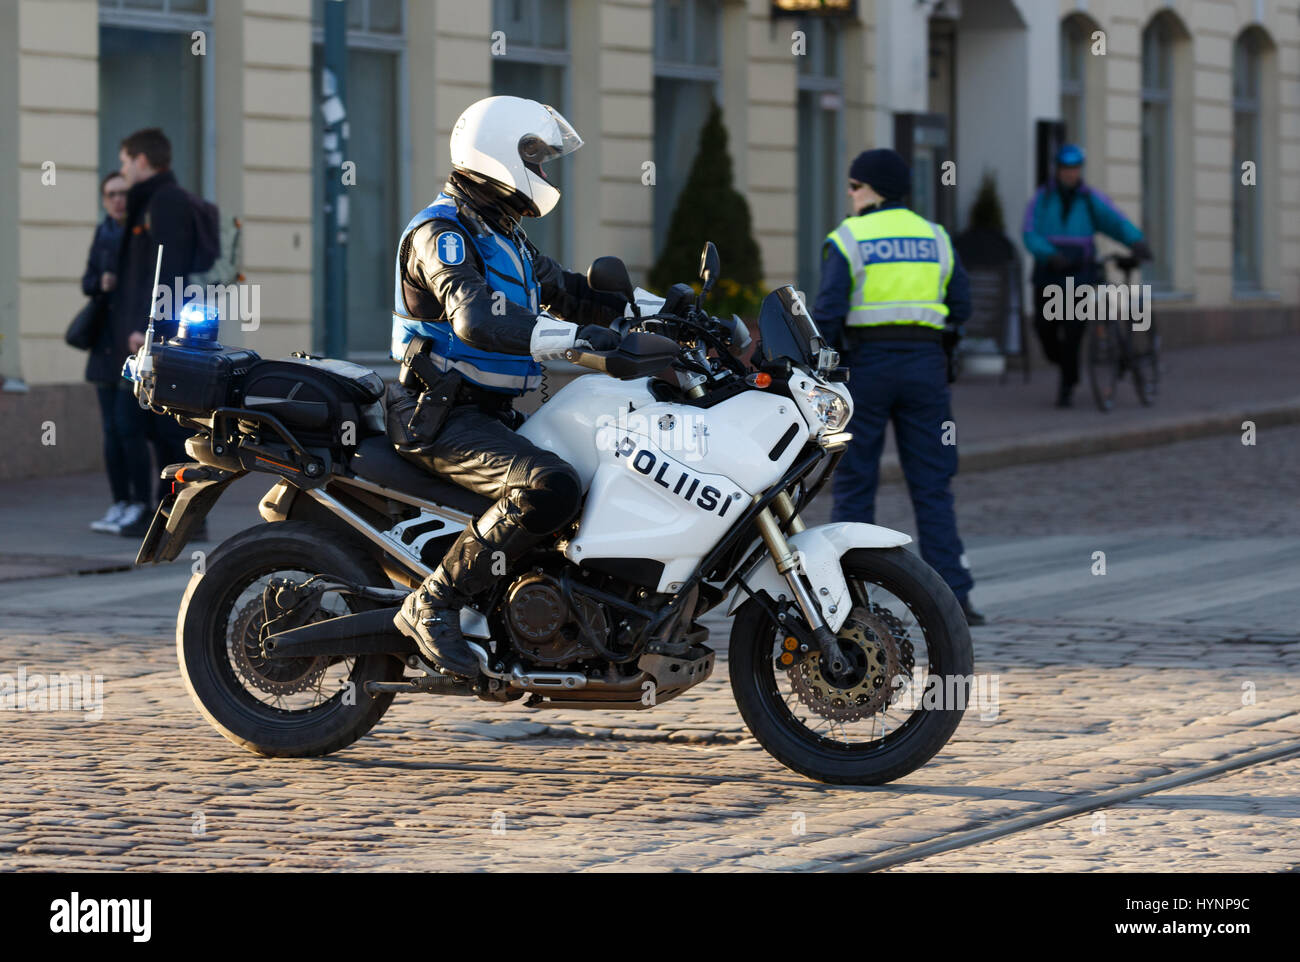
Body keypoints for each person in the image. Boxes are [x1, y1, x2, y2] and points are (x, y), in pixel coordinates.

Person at [389, 96, 628, 678]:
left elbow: (574, 291)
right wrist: (577, 341)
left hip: (489, 413)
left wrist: (664, 310)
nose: (542, 171)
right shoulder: (442, 232)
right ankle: (434, 602)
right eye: (534, 156)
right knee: (550, 486)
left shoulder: (507, 238)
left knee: (596, 476)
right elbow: (476, 319)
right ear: (496, 153)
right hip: (439, 414)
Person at [813, 148, 983, 626]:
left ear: (872, 190)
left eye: (853, 185)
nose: (848, 194)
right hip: (927, 368)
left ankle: (844, 600)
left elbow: (827, 311)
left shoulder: (850, 237)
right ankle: (956, 599)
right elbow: (962, 304)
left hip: (866, 369)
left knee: (854, 482)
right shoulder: (936, 237)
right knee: (932, 485)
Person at [112, 127, 202, 538]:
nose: (123, 170)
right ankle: (168, 513)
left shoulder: (163, 201)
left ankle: (175, 514)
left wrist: (145, 328)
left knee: (158, 428)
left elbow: (166, 269)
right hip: (149, 335)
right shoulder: (153, 200)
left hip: (154, 337)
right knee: (150, 427)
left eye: (125, 161)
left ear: (142, 161)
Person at [1022, 144, 1151, 407]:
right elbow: (1029, 231)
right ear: (1057, 170)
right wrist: (1048, 253)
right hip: (1049, 271)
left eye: (1075, 169)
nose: (1070, 174)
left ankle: (1067, 385)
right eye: (1066, 169)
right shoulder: (1042, 199)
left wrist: (1136, 241)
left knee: (1072, 331)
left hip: (1080, 274)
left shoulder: (1090, 199)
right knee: (1044, 329)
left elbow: (1114, 221)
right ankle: (1068, 367)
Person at [83, 172, 154, 534]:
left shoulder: (142, 234)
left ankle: (141, 503)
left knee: (130, 430)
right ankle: (120, 501)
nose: (117, 201)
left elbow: (149, 289)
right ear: (103, 199)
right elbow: (88, 281)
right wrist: (100, 283)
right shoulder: (104, 233)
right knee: (111, 431)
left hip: (131, 349)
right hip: (104, 348)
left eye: (123, 194)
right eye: (110, 194)